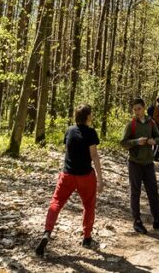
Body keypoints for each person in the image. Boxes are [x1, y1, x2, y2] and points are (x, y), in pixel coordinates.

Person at [35, 104, 103, 256]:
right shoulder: (91, 133)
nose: (92, 116)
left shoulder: (69, 131)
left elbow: (68, 150)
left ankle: (47, 231)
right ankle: (87, 237)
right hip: (85, 176)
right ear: (87, 116)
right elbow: (94, 155)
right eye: (91, 114)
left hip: (67, 175)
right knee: (89, 205)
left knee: (56, 202)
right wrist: (100, 178)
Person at [120, 97, 159, 234]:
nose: (137, 112)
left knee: (153, 192)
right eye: (135, 110)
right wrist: (136, 141)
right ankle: (137, 221)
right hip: (135, 163)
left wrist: (153, 141)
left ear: (144, 108)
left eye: (139, 109)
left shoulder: (151, 123)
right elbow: (123, 143)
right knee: (135, 192)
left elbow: (158, 137)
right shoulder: (131, 124)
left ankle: (157, 220)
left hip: (148, 163)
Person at [147, 95, 159, 161]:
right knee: (157, 141)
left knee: (157, 141)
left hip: (158, 126)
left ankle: (156, 154)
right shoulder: (157, 107)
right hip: (156, 127)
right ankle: (155, 156)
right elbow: (154, 117)